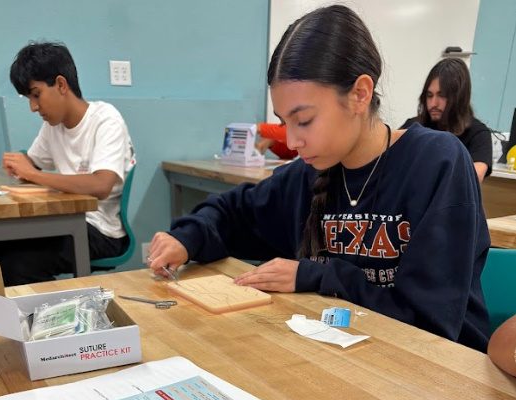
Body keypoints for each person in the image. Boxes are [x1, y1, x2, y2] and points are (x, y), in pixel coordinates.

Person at [149, 5, 490, 352]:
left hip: (438, 370)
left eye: (305, 120)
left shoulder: (438, 162)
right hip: (349, 359)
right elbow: (233, 212)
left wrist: (315, 275)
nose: (293, 142)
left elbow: (429, 321)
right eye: (285, 122)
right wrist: (187, 238)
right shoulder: (309, 173)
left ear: (360, 94)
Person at [0, 42, 134, 284]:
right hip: (64, 221)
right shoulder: (53, 126)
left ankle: (52, 319)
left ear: (61, 84)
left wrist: (32, 173)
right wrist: (20, 164)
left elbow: (101, 185)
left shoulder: (106, 120)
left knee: (17, 266)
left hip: (100, 230)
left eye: (36, 94)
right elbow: (33, 163)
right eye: (29, 98)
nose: (33, 107)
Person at [401, 58, 492, 183]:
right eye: (429, 95)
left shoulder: (478, 134)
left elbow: (473, 178)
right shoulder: (413, 126)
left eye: (442, 95)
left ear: (458, 97)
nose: (434, 103)